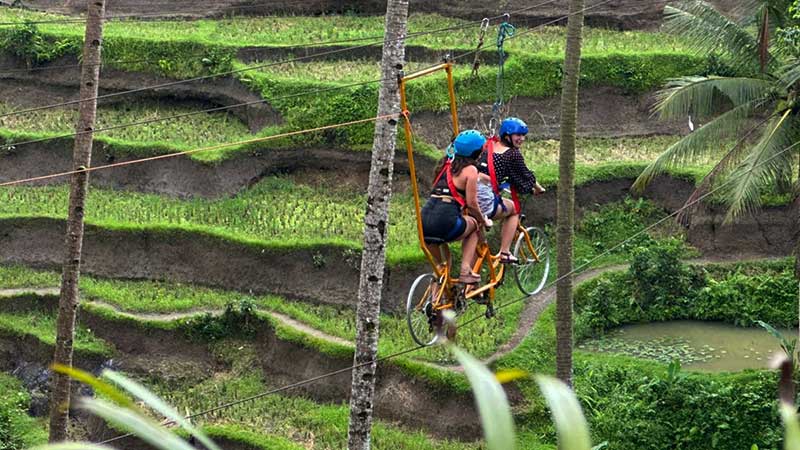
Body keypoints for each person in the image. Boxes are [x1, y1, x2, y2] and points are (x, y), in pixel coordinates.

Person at [422, 129, 492, 284]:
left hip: (424, 221)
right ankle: (465, 270)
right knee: (474, 227)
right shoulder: (471, 170)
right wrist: (484, 220)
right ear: (477, 152)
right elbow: (472, 204)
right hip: (445, 220)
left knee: (442, 267)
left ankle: (435, 301)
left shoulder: (444, 165)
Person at [476, 117, 546, 264]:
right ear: (507, 136)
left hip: (470, 191)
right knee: (514, 210)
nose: (522, 139)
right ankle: (505, 252)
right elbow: (525, 175)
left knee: (477, 234)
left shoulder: (490, 145)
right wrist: (538, 189)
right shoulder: (512, 154)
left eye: (523, 135)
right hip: (483, 194)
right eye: (518, 135)